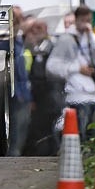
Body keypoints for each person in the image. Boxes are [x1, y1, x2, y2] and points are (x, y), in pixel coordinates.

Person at [47, 5, 95, 145]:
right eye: (83, 20)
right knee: (80, 136)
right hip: (76, 95)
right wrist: (77, 68)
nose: (86, 23)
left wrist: (91, 35)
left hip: (92, 95)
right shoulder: (66, 39)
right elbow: (52, 66)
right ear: (77, 19)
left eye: (89, 20)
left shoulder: (89, 37)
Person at [23, 18, 65, 156]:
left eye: (40, 28)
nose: (37, 31)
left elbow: (43, 74)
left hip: (52, 96)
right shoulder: (30, 47)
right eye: (34, 28)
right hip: (40, 98)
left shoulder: (51, 47)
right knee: (40, 130)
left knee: (50, 129)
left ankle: (50, 154)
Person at [0, 6, 31, 156]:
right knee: (14, 131)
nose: (18, 21)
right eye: (15, 18)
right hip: (13, 93)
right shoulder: (6, 42)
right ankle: (11, 159)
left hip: (22, 94)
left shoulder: (18, 41)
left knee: (21, 131)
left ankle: (14, 155)